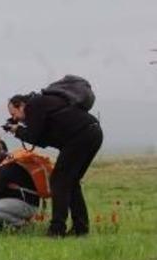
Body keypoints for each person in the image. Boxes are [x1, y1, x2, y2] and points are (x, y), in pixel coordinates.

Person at [5, 91, 102, 237]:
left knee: (58, 181)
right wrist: (19, 130)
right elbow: (42, 141)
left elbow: (33, 136)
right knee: (71, 182)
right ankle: (80, 229)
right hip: (92, 133)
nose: (15, 118)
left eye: (14, 114)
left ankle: (57, 230)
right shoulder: (41, 105)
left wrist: (17, 130)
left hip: (80, 137)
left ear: (21, 106)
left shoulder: (34, 105)